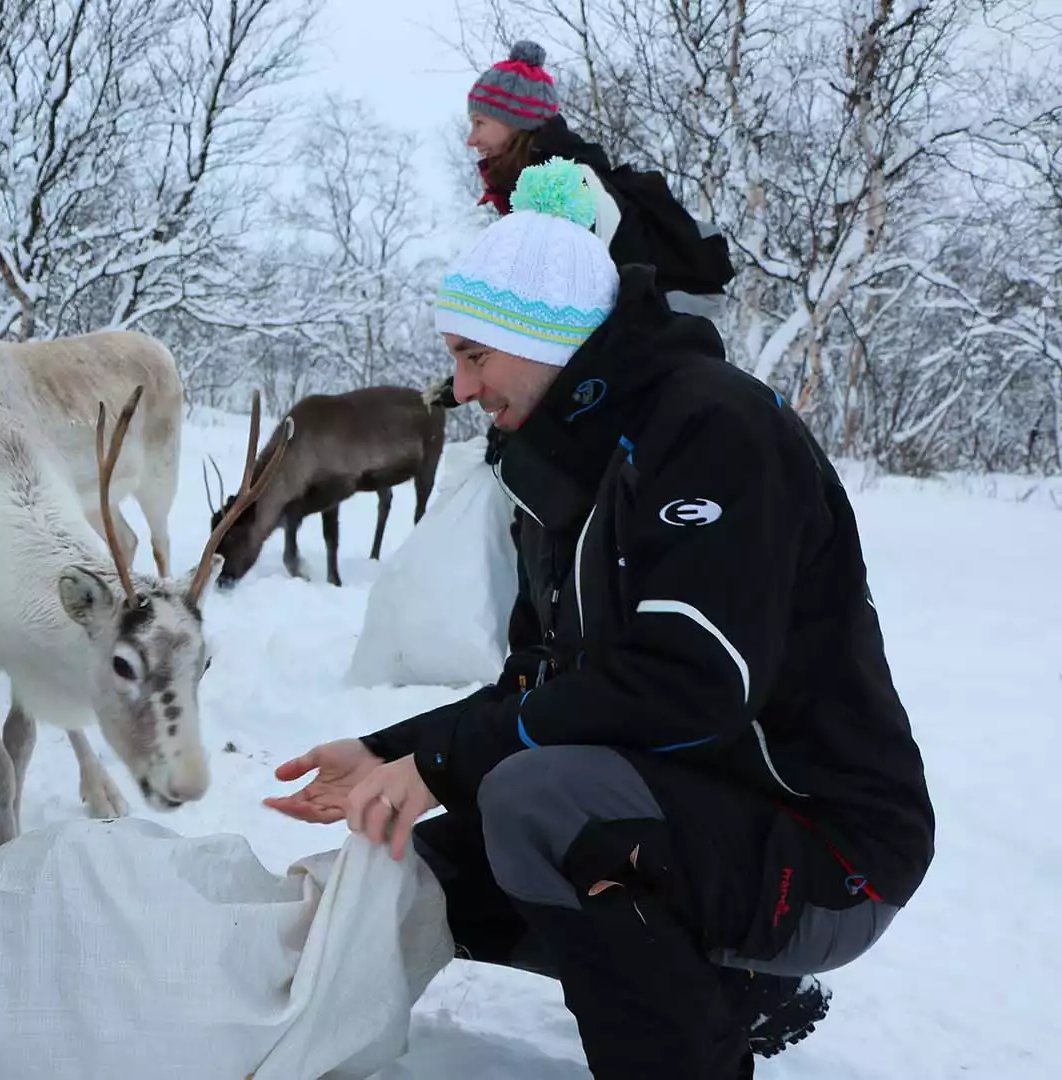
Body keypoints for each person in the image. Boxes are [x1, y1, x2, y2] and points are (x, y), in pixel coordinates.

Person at [266, 158, 934, 1079]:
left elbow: (691, 682)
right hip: (706, 811)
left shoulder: (715, 432)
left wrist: (444, 764)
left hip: (827, 849)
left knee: (538, 803)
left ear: (544, 339)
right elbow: (539, 689)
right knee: (436, 870)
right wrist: (393, 751)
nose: (458, 390)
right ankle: (732, 994)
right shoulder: (563, 473)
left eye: (474, 355)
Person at [463, 39, 735, 321]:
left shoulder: (565, 188)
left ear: (517, 121)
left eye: (480, 122)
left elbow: (569, 305)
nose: (472, 139)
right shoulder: (547, 181)